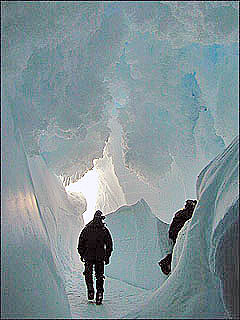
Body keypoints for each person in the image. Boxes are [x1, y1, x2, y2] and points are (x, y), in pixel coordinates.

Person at [78, 210, 113, 305]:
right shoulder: (104, 230)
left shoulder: (87, 229)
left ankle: (90, 290)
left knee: (88, 274)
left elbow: (81, 242)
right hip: (100, 258)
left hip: (88, 257)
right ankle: (99, 294)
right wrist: (107, 256)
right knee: (99, 276)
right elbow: (109, 244)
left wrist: (82, 254)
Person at [159, 199, 197, 275]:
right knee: (180, 250)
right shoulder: (186, 213)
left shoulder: (182, 213)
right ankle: (166, 264)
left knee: (178, 250)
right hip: (178, 233)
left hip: (176, 233)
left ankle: (167, 264)